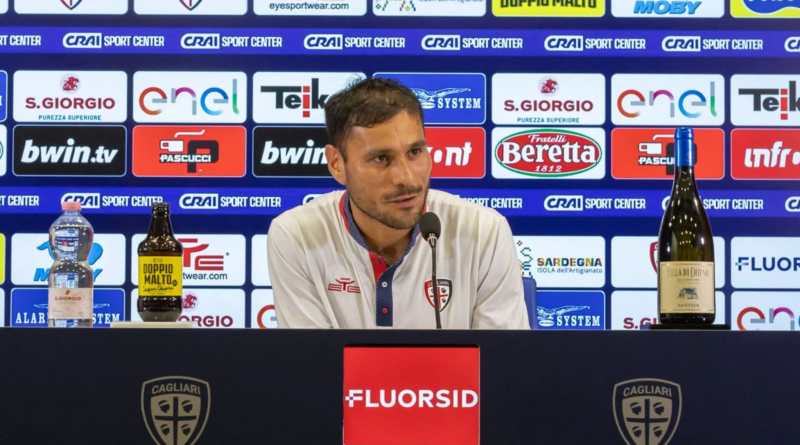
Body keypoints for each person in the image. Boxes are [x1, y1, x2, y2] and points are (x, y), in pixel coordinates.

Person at [267, 77, 529, 329]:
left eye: (415, 152)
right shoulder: (296, 235)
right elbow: (314, 367)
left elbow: (499, 366)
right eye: (381, 158)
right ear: (337, 164)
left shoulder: (484, 231)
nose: (406, 177)